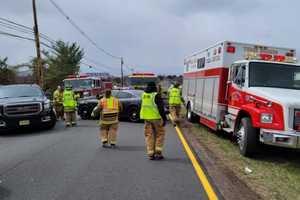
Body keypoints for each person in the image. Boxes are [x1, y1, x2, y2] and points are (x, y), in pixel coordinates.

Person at [140, 82, 167, 160]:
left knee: (149, 135)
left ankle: (150, 154)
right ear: (154, 87)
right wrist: (164, 118)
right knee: (160, 134)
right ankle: (158, 153)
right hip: (156, 118)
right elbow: (161, 109)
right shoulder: (156, 95)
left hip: (146, 118)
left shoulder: (143, 95)